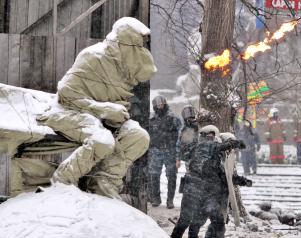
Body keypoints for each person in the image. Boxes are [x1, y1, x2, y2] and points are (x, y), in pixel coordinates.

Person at [37, 17, 155, 199]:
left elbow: (113, 100)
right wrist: (103, 109)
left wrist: (115, 111)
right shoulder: (92, 56)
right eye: (136, 45)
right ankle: (60, 183)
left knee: (139, 137)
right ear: (124, 41)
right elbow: (66, 94)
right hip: (68, 112)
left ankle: (102, 181)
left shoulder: (123, 66)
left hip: (100, 118)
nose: (140, 51)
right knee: (102, 141)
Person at [170, 125, 246, 238]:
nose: (208, 138)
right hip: (195, 190)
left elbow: (222, 175)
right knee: (188, 220)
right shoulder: (205, 146)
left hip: (202, 192)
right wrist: (234, 143)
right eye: (205, 135)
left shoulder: (209, 152)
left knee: (196, 220)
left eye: (210, 136)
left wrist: (240, 180)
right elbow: (214, 148)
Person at [148, 95, 182, 209]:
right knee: (154, 175)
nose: (160, 106)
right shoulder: (151, 119)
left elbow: (180, 136)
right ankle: (156, 199)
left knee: (172, 176)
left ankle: (170, 200)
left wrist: (178, 155)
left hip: (170, 150)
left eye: (161, 104)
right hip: (156, 150)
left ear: (165, 104)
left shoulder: (173, 118)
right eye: (157, 105)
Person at [177, 105, 199, 170]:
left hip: (199, 152)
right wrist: (178, 158)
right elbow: (179, 143)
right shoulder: (183, 128)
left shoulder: (198, 125)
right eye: (189, 116)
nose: (191, 118)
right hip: (188, 154)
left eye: (192, 115)